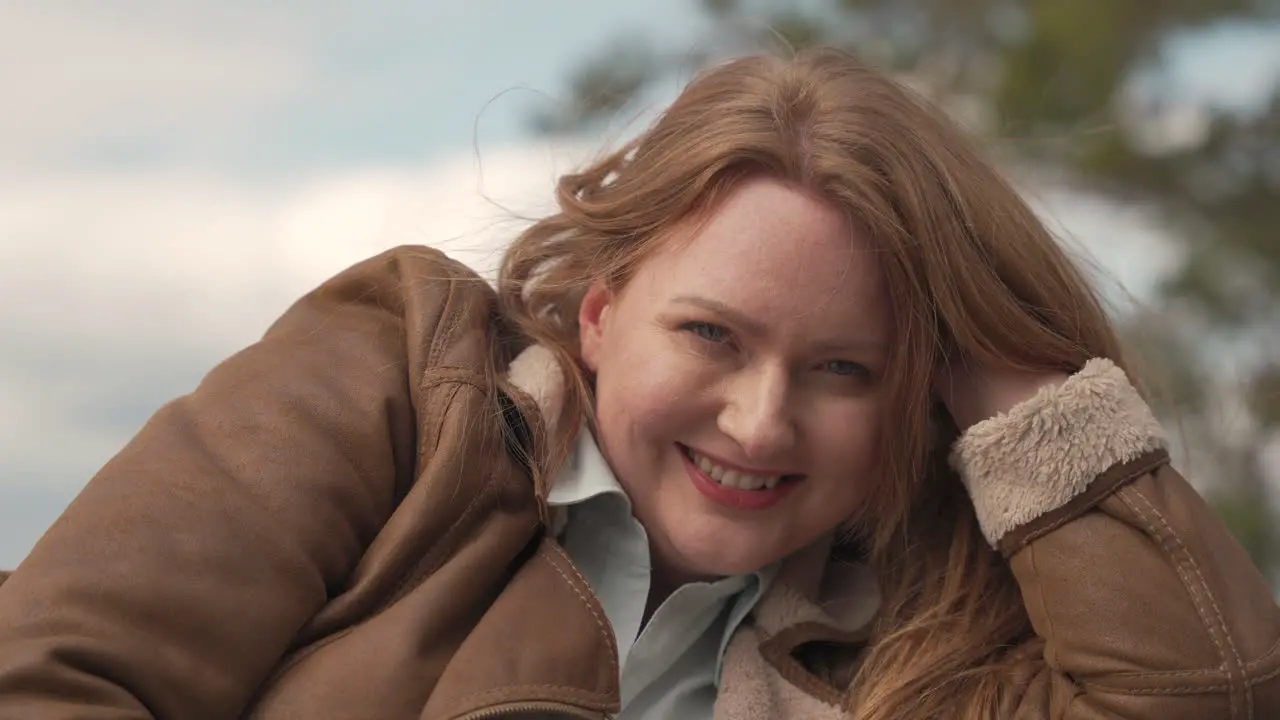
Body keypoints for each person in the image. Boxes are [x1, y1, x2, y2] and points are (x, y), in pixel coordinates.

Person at [0, 47, 1276, 720]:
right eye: (711, 336)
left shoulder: (922, 649)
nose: (760, 421)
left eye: (843, 370)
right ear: (602, 314)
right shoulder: (406, 384)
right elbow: (56, 675)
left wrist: (1030, 398)